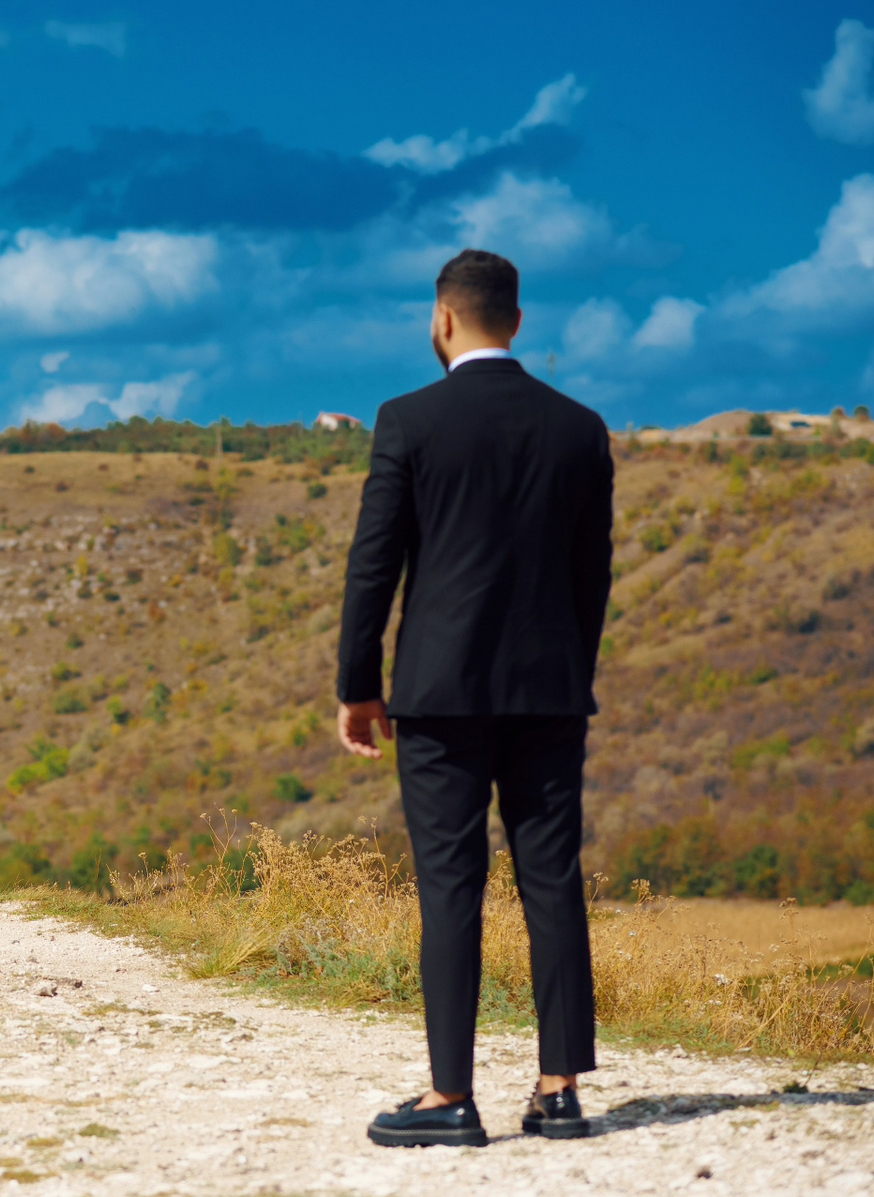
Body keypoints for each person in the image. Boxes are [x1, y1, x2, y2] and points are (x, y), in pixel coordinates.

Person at [335, 249, 613, 1147]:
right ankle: (560, 1090)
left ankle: (449, 1096)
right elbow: (593, 576)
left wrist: (358, 687)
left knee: (450, 886)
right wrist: (571, 672)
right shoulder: (579, 428)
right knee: (551, 879)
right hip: (550, 689)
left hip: (439, 692)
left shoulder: (409, 420)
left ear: (443, 320)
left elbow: (374, 564)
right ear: (517, 322)